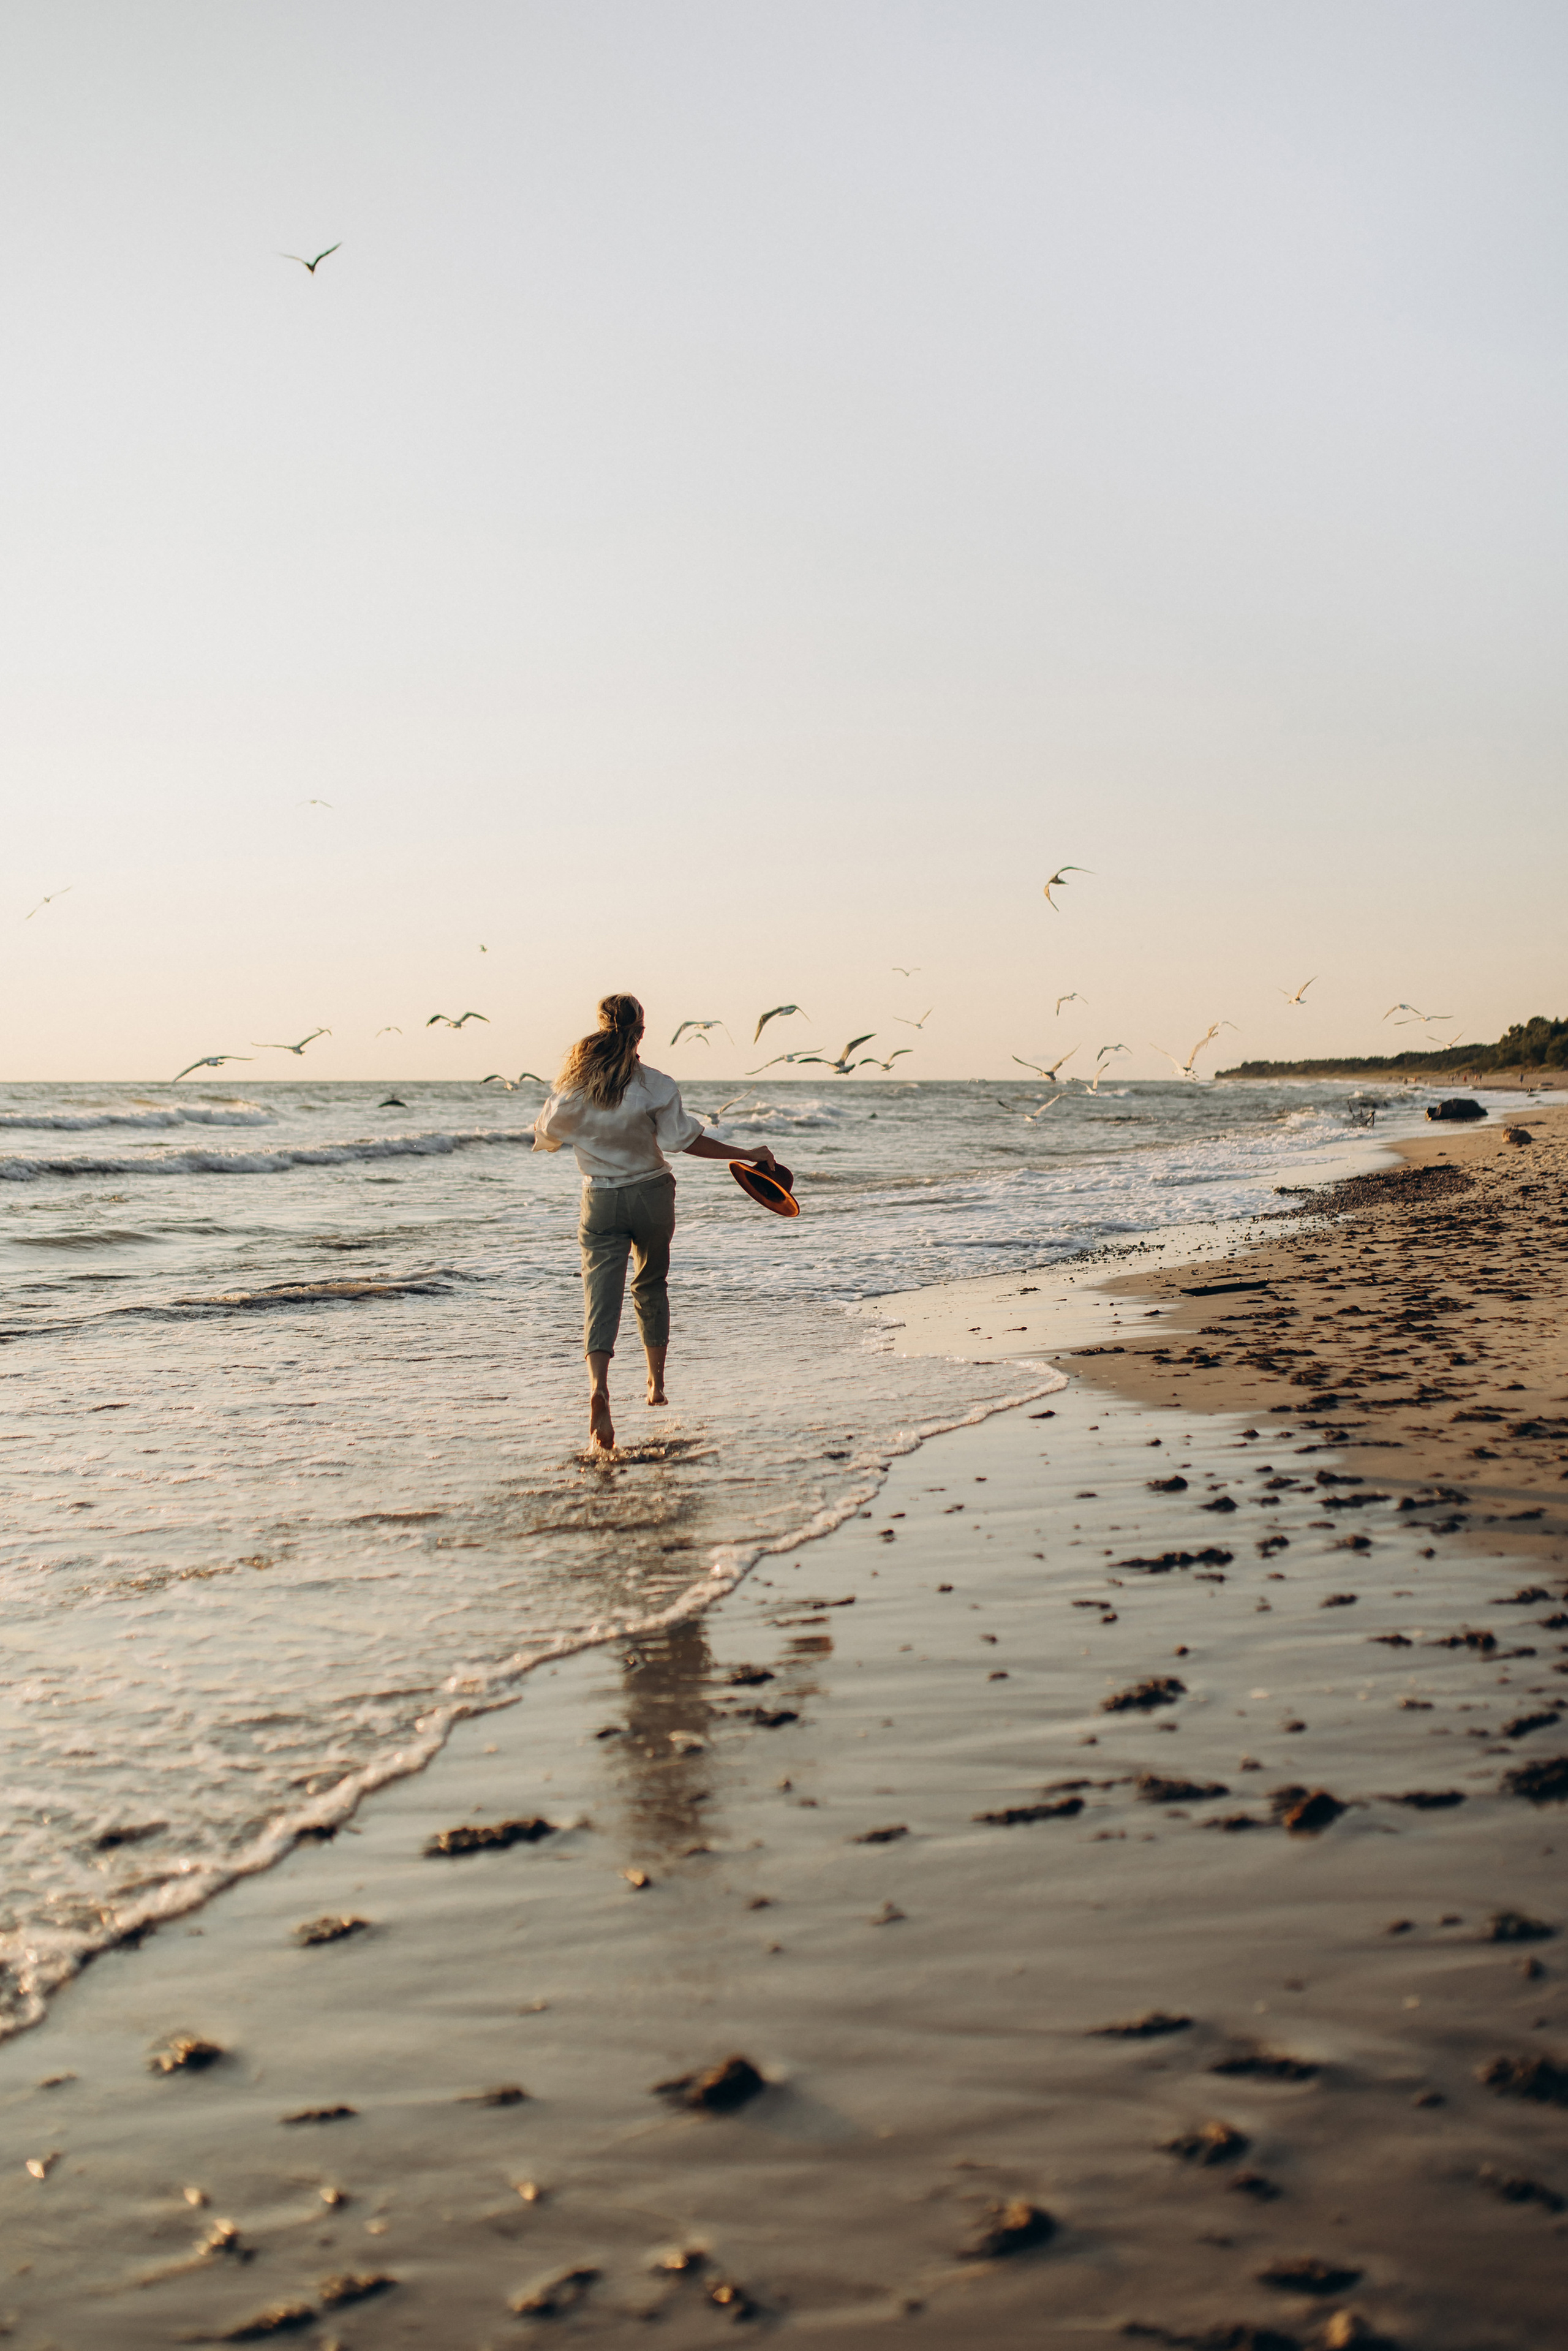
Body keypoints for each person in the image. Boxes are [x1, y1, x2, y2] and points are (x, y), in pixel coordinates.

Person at [533, 993, 777, 1452]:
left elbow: (546, 1135)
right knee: (650, 1284)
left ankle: (599, 1388)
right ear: (641, 1031)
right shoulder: (656, 1085)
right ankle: (655, 1384)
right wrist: (748, 1154)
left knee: (599, 1295)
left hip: (599, 1199)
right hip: (651, 1195)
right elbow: (686, 1142)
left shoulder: (572, 1089)